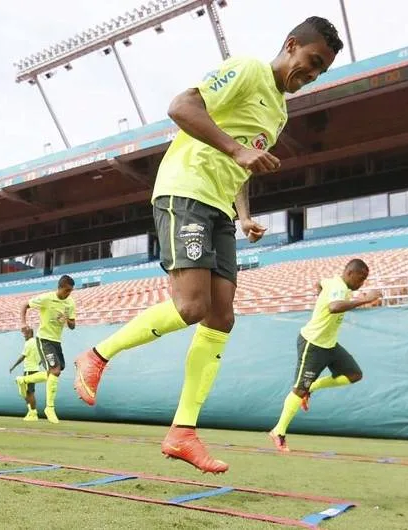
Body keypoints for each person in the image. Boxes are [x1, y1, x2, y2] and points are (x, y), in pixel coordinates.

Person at [72, 17, 344, 474]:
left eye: (321, 70)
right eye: (312, 62)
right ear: (291, 44)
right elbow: (181, 107)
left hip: (218, 208)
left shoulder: (278, 111)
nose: (312, 74)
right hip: (185, 190)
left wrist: (244, 215)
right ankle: (97, 354)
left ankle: (183, 432)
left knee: (222, 316)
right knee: (193, 305)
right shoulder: (248, 70)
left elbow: (240, 165)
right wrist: (238, 152)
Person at [269, 259, 380, 451]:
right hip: (312, 344)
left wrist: (320, 294)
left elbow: (319, 283)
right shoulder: (338, 287)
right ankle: (278, 431)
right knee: (298, 390)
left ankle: (313, 387)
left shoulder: (332, 282)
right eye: (361, 279)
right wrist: (365, 299)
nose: (362, 284)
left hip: (329, 345)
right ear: (350, 273)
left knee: (354, 375)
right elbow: (334, 307)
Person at [19, 275, 76, 424]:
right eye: (67, 290)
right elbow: (25, 305)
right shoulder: (46, 298)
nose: (68, 294)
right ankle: (49, 408)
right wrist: (23, 323)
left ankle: (24, 380)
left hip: (57, 341)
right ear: (60, 287)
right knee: (55, 371)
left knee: (54, 373)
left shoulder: (70, 303)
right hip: (44, 339)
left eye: (70, 291)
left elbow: (72, 325)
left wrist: (66, 319)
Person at [9, 326, 42, 421]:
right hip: (35, 369)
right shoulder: (37, 342)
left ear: (29, 333)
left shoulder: (28, 343)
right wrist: (37, 363)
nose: (24, 336)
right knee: (28, 392)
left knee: (29, 392)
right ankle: (31, 412)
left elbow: (23, 356)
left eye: (25, 334)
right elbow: (41, 357)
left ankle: (33, 413)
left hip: (29, 370)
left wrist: (13, 366)